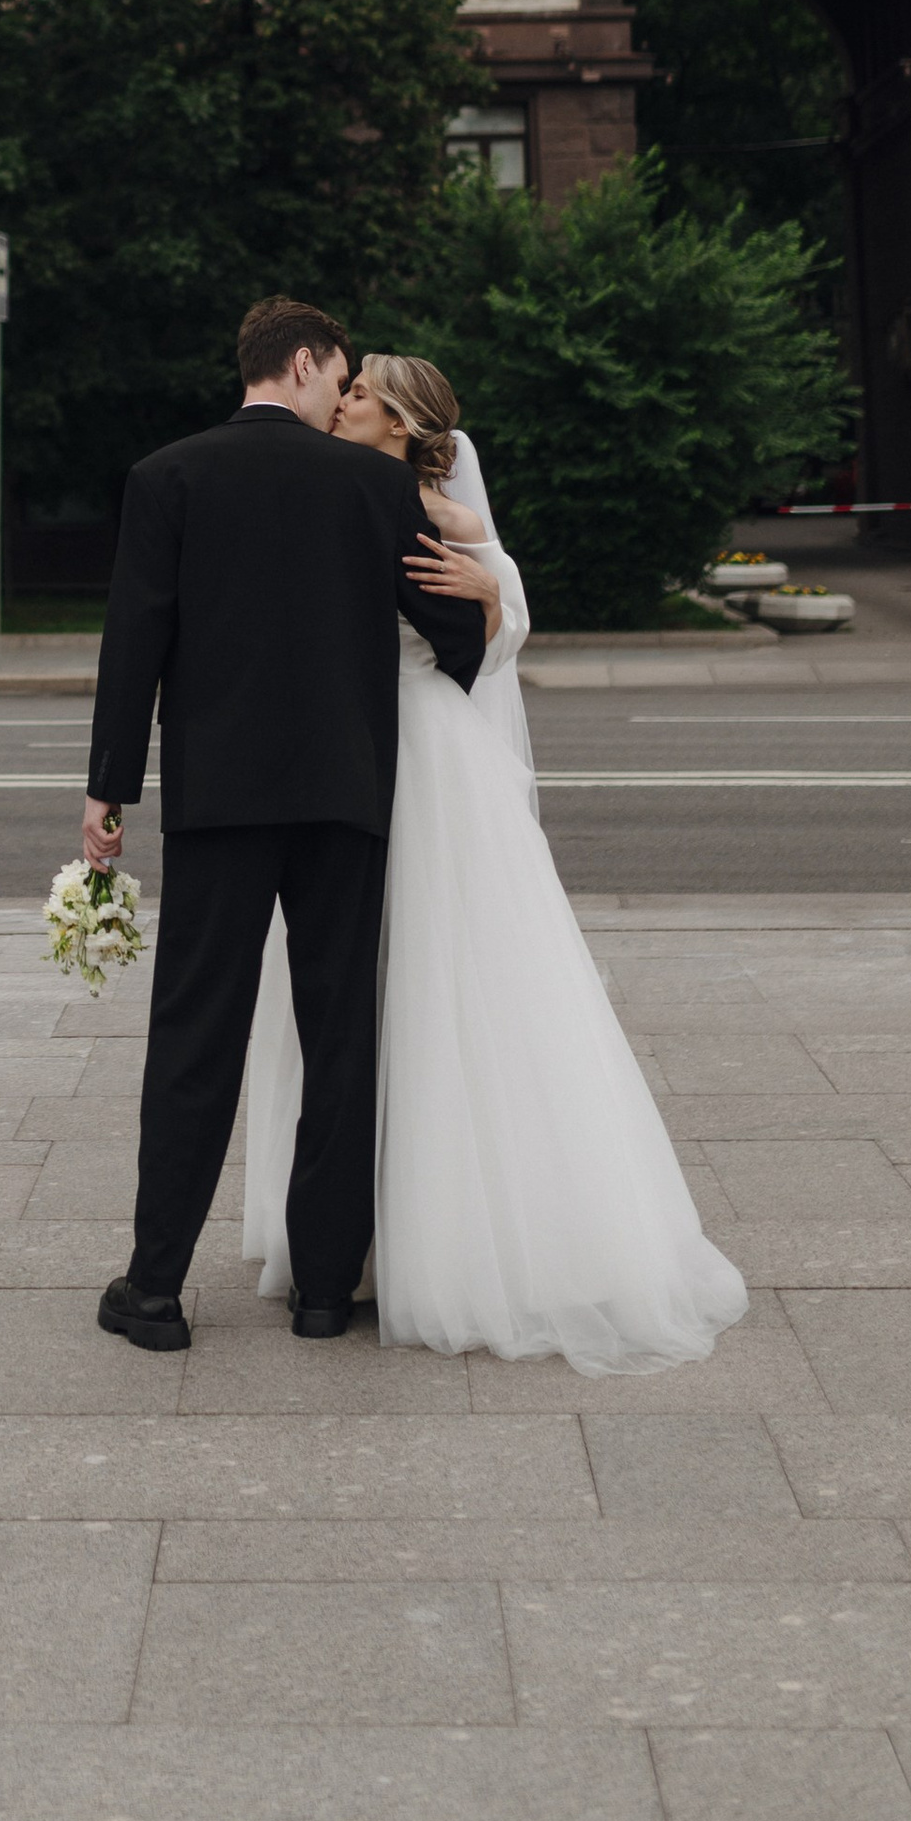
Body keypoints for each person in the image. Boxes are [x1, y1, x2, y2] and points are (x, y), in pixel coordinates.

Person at [243, 353, 748, 1375]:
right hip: (353, 743)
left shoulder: (439, 508)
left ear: (398, 422)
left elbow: (502, 617)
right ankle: (354, 1230)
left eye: (358, 396)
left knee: (444, 977)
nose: (339, 402)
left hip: (424, 751)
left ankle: (452, 1233)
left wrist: (493, 592)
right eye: (338, 389)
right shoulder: (338, 483)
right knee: (352, 988)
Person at [82, 299, 499, 1352]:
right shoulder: (370, 483)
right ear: (304, 362)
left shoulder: (165, 476)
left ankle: (157, 1290)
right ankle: (322, 1292)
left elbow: (134, 642)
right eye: (339, 374)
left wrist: (108, 792)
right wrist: (489, 589)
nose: (340, 394)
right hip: (343, 797)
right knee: (338, 1034)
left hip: (219, 803)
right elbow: (455, 631)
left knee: (193, 1034)